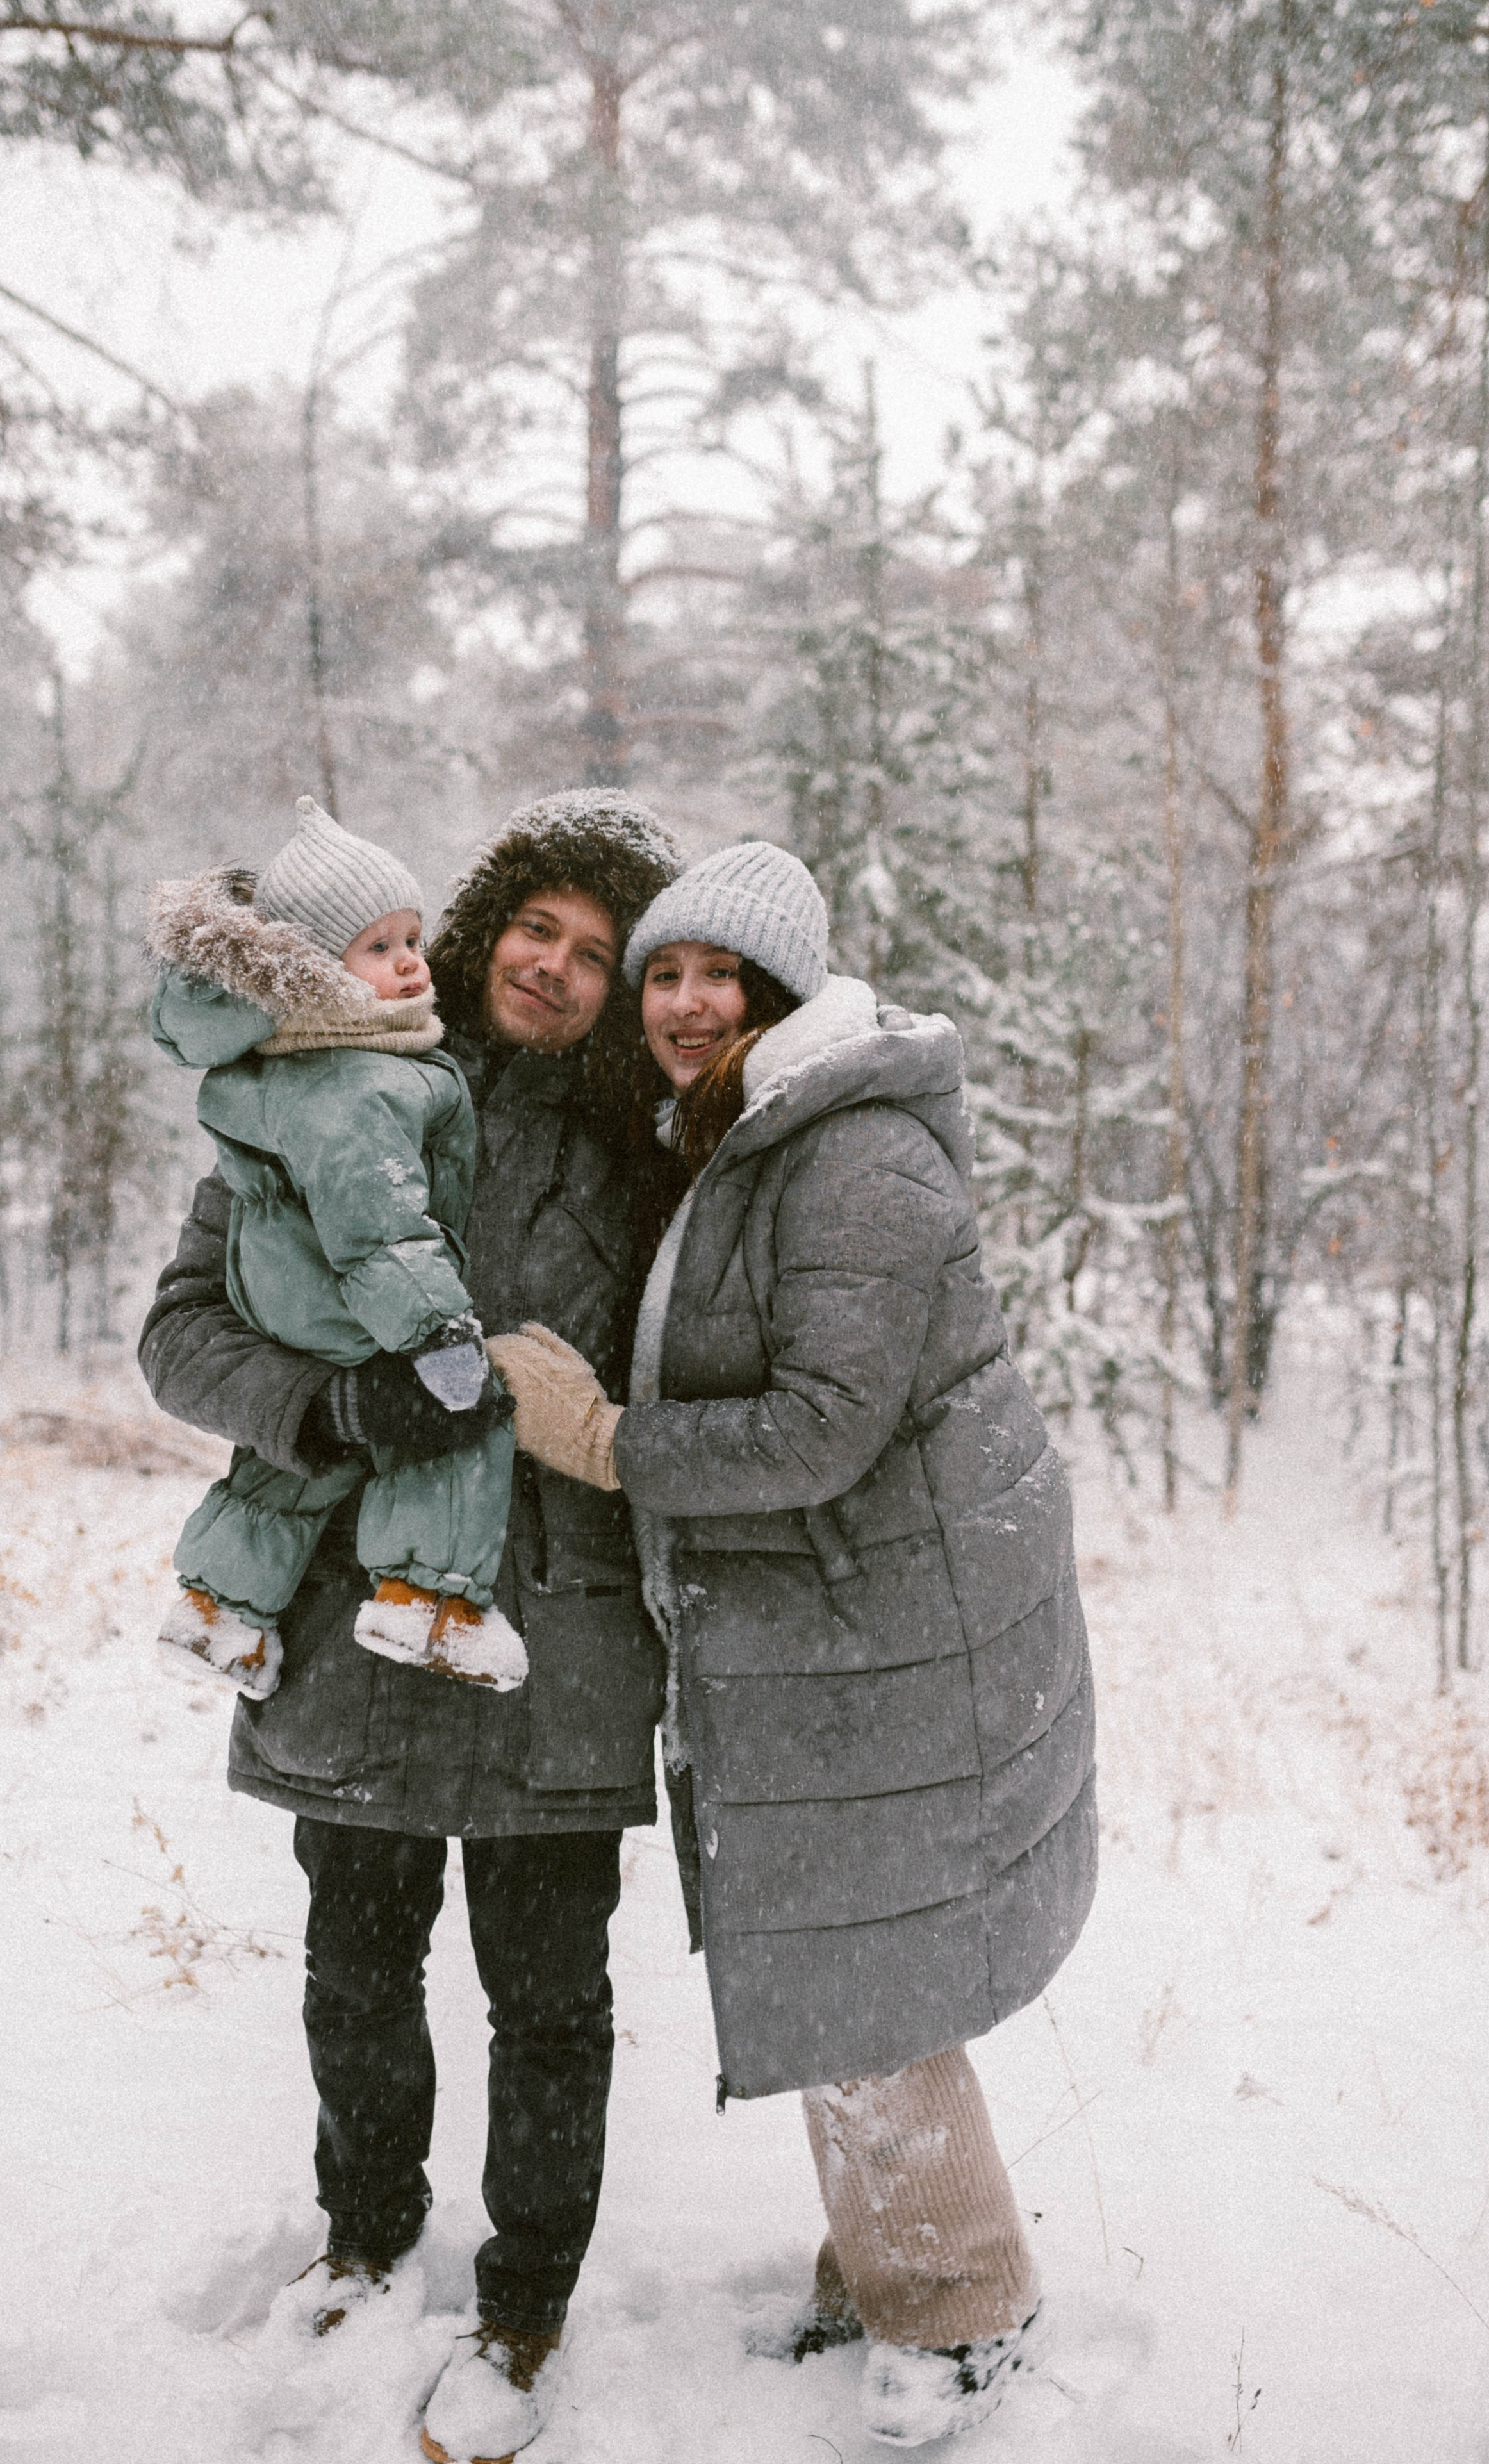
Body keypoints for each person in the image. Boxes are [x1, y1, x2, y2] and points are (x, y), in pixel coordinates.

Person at [488, 839, 1097, 2451]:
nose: (684, 1004)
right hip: (833, 1624)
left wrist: (608, 1442)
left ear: (787, 990)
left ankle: (963, 2312)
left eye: (720, 977)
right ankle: (887, 2264)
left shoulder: (855, 1158)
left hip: (887, 1622)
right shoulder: (750, 1135)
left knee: (868, 1976)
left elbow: (824, 1424)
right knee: (845, 1960)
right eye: (665, 976)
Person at [137, 790, 680, 2464]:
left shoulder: (655, 1159)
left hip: (562, 1641)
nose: (558, 966)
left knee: (551, 1996)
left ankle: (522, 2304)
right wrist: (337, 1404)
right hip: (353, 1618)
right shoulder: (315, 1082)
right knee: (357, 1966)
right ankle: (366, 2239)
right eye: (537, 926)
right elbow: (178, 1337)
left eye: (599, 952)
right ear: (479, 922)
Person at [149, 796, 523, 1697]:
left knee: (285, 1470)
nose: (408, 964)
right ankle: (426, 1597)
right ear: (317, 971)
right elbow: (380, 1221)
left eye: (411, 939)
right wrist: (438, 1330)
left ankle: (218, 1608)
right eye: (378, 948)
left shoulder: (300, 1058)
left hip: (289, 1302)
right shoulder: (363, 1078)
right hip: (350, 1293)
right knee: (459, 1428)